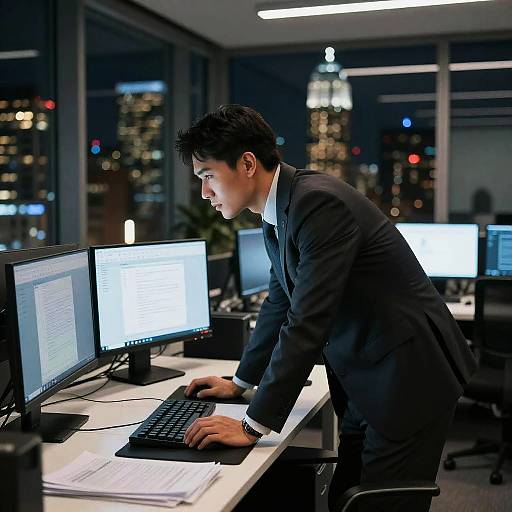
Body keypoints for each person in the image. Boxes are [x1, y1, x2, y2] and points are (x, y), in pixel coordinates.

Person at [176, 104, 477, 511]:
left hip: (408, 376)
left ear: (247, 163)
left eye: (208, 176)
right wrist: (242, 382)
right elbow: (281, 300)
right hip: (368, 374)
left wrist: (251, 426)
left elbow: (307, 320)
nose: (204, 192)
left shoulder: (317, 205)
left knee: (382, 504)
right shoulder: (279, 209)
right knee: (345, 498)